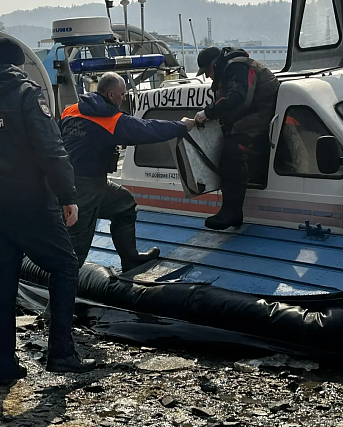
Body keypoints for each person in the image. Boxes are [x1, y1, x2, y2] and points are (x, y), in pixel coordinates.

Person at [0, 38, 94, 383]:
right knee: (65, 267)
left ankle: (4, 365)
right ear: (17, 64)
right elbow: (50, 149)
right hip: (30, 202)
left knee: (3, 283)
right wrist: (67, 195)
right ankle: (61, 352)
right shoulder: (26, 93)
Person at [60, 72, 195, 270]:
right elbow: (148, 129)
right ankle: (61, 293)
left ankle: (130, 258)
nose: (125, 98)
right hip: (83, 187)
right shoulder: (112, 121)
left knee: (123, 204)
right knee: (76, 246)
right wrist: (182, 126)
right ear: (112, 94)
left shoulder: (70, 110)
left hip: (74, 179)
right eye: (123, 95)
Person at [194, 46, 280, 230]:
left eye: (208, 71)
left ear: (215, 64)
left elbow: (238, 98)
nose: (208, 76)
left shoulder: (238, 67)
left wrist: (208, 113)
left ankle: (231, 212)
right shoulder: (232, 68)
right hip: (253, 117)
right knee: (228, 148)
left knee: (232, 155)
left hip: (262, 117)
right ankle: (231, 210)